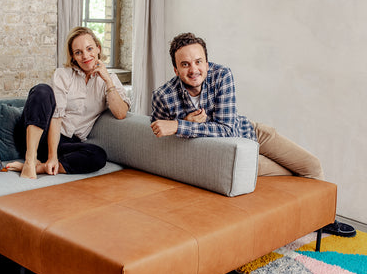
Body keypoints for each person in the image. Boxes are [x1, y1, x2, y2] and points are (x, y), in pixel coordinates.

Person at [150, 32, 355, 237]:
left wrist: (180, 125)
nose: (194, 69)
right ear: (176, 70)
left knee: (312, 166)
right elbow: (165, 144)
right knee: (295, 174)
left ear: (207, 63)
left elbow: (227, 129)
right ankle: (317, 219)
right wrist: (181, 125)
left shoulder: (222, 75)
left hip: (249, 131)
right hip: (232, 156)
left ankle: (324, 217)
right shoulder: (163, 97)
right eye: (185, 64)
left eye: (198, 61)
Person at [7, 26, 130, 179]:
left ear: (98, 48)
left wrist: (107, 80)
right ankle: (30, 161)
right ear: (73, 56)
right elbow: (56, 117)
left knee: (98, 155)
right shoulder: (63, 75)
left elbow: (120, 113)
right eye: (78, 52)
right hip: (40, 135)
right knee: (42, 90)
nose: (85, 56)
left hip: (67, 144)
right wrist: (52, 156)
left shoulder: (109, 79)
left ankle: (42, 167)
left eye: (89, 49)